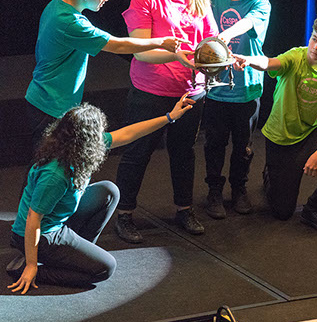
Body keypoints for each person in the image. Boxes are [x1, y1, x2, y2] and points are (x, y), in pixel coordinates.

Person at [6, 95, 195, 294]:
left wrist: (169, 117)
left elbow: (127, 134)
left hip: (60, 220)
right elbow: (33, 218)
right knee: (105, 268)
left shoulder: (74, 146)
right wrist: (32, 265)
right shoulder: (55, 175)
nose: (102, 135)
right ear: (87, 140)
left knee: (108, 191)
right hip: (43, 234)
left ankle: (77, 256)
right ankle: (27, 268)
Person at [113, 0, 219, 244]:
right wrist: (177, 56)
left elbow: (211, 40)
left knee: (183, 153)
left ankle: (184, 209)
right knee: (138, 153)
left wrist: (222, 58)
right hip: (150, 92)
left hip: (190, 90)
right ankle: (124, 214)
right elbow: (141, 52)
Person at [25, 0, 186, 152]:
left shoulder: (57, 3)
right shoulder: (71, 22)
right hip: (50, 105)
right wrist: (161, 42)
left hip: (45, 99)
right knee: (47, 165)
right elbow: (117, 45)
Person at [235, 14, 317, 234]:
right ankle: (270, 174)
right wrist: (248, 59)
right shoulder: (296, 56)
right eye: (314, 39)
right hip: (281, 137)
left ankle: (312, 209)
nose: (316, 47)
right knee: (282, 212)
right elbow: (269, 63)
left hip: (310, 133)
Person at [203, 0, 271, 219]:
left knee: (244, 146)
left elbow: (248, 23)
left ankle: (239, 189)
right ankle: (214, 191)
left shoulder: (261, 3)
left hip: (247, 88)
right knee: (214, 143)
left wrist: (226, 34)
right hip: (217, 87)